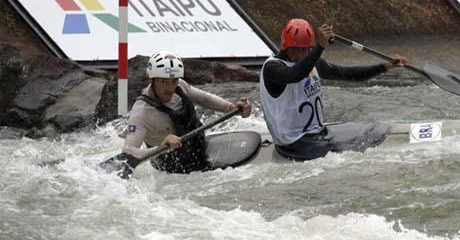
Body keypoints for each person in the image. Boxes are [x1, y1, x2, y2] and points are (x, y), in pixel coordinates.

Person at [259, 19, 407, 159]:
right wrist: (320, 47)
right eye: (296, 49)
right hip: (294, 144)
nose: (301, 54)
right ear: (285, 46)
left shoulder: (311, 62)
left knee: (373, 129)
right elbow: (294, 75)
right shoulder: (272, 68)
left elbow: (347, 74)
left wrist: (384, 67)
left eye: (305, 50)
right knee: (356, 149)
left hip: (317, 134)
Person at [122, 51, 252, 173]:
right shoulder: (141, 113)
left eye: (174, 81)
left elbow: (204, 99)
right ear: (152, 79)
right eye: (163, 81)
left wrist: (232, 107)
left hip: (198, 148)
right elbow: (128, 152)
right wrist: (161, 147)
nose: (170, 88)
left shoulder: (180, 86)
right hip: (170, 168)